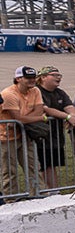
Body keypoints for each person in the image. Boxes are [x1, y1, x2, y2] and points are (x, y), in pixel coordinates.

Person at [2, 66, 47, 197]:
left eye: (33, 77)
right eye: (28, 78)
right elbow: (18, 118)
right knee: (9, 170)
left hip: (26, 134)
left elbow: (38, 109)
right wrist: (38, 118)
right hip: (6, 137)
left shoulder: (36, 90)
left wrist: (24, 120)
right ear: (18, 79)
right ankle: (11, 198)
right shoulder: (8, 94)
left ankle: (38, 195)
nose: (32, 80)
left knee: (33, 166)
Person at [34, 68, 75, 190]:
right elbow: (46, 109)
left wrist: (72, 117)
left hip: (56, 135)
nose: (58, 78)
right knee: (43, 164)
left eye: (59, 75)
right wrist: (67, 116)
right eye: (54, 75)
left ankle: (53, 190)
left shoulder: (60, 92)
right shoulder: (36, 91)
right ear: (43, 77)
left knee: (52, 164)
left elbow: (70, 106)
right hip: (40, 135)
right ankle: (46, 191)